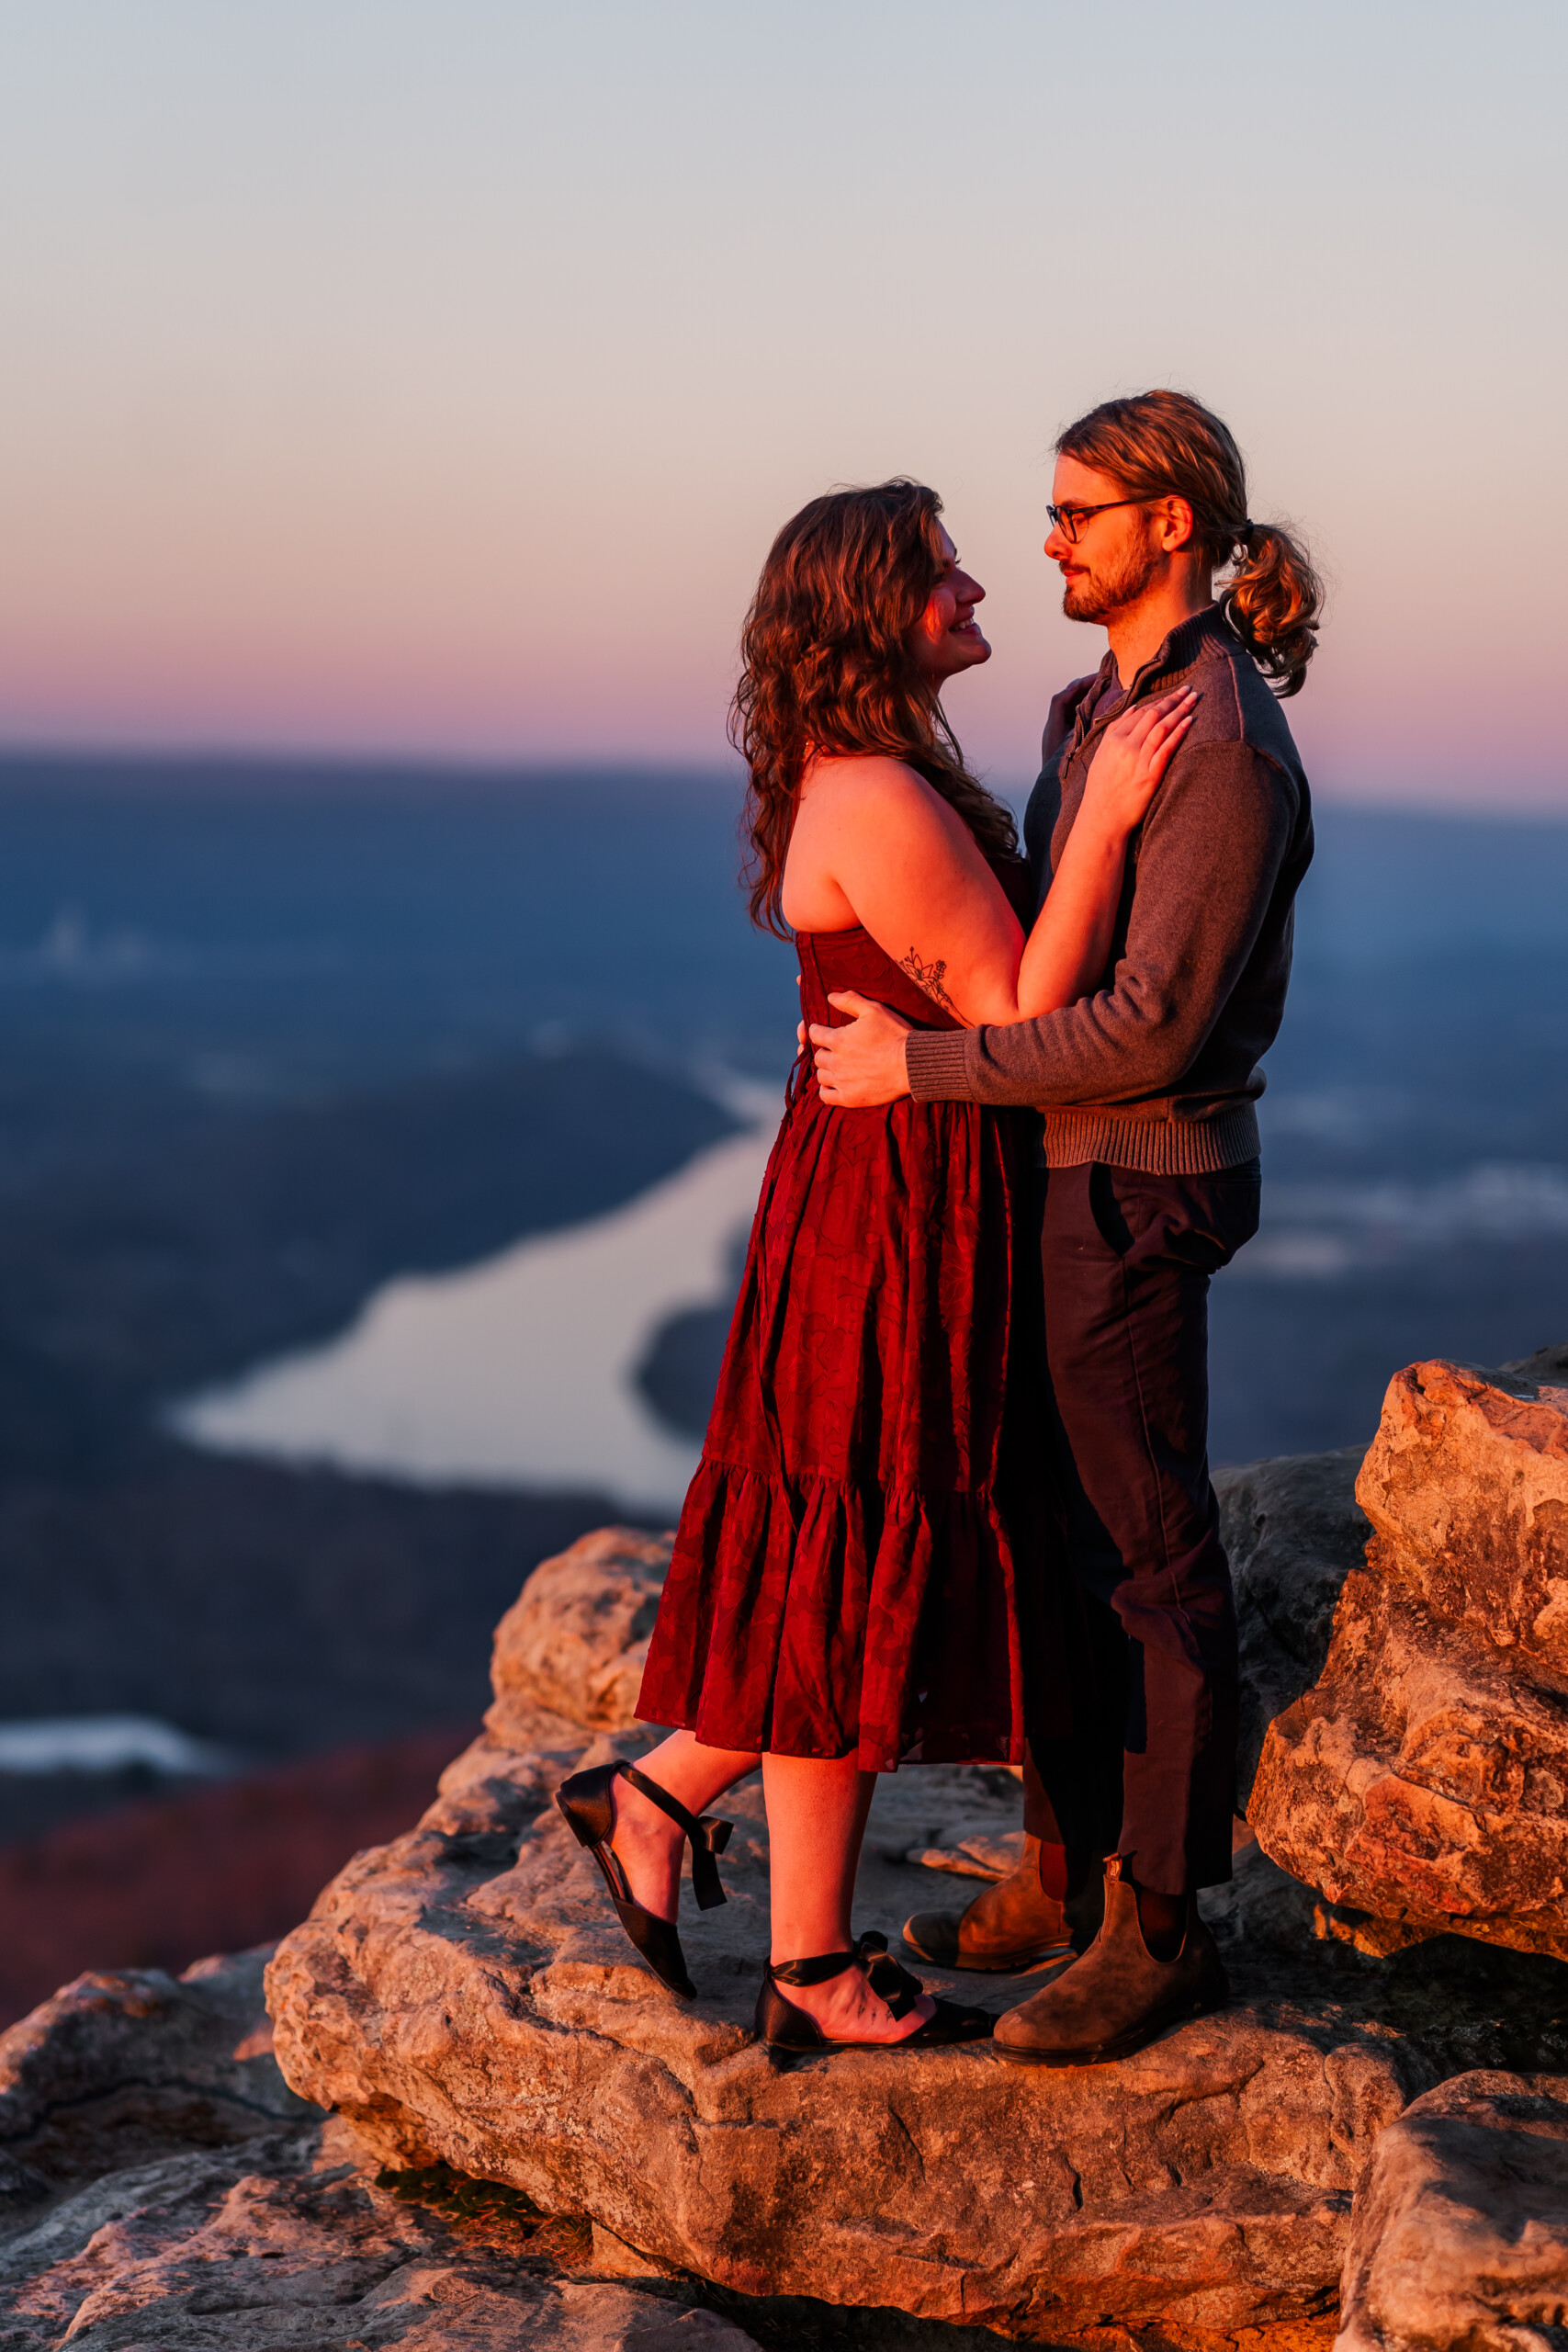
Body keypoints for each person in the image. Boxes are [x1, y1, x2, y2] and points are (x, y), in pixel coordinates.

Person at [555, 479, 1193, 2055]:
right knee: (850, 1543)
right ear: (869, 608)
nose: (977, 587)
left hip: (880, 1195)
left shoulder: (870, 774)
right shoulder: (882, 799)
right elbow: (1017, 1012)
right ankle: (785, 1941)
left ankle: (698, 1840)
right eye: (941, 574)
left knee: (839, 1545)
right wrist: (1108, 817)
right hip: (892, 1216)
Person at [809, 391, 1321, 2066]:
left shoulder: (1220, 744)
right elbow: (1051, 935)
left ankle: (1162, 1927)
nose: (1048, 539)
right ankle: (1063, 1860)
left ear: (1172, 524)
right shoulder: (1094, 707)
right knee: (1047, 1531)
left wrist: (925, 1066)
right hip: (1058, 1166)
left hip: (1137, 1168)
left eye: (1077, 511)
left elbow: (1157, 1026)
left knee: (1150, 1558)